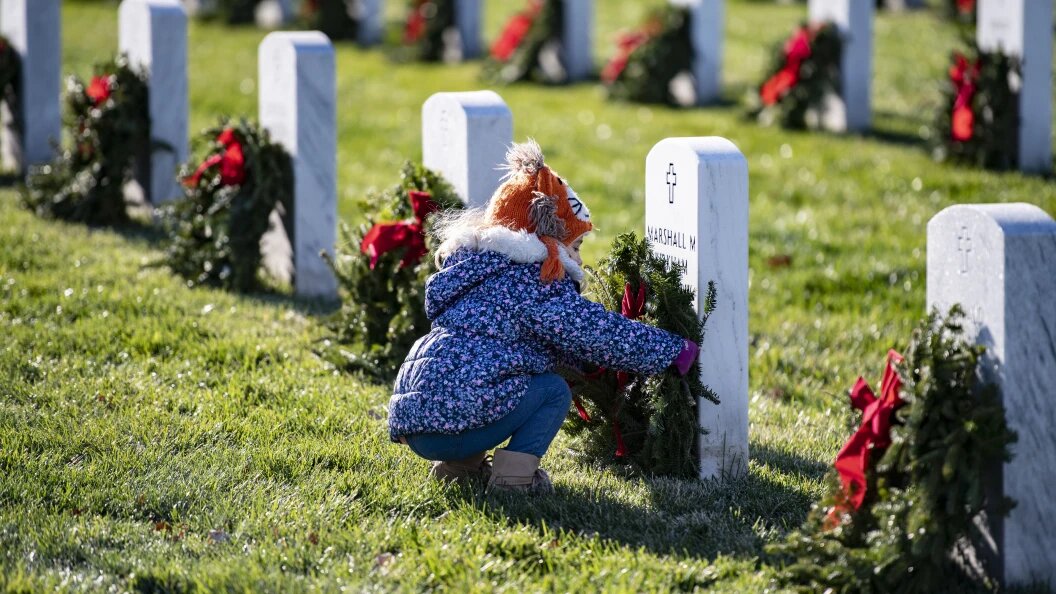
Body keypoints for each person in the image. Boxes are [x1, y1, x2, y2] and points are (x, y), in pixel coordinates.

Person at [388, 139, 699, 493]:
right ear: (546, 238)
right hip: (454, 423)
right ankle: (514, 481)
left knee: (481, 382)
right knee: (551, 391)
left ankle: (457, 470)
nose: (579, 261)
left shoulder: (476, 269)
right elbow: (595, 332)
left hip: (415, 420)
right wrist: (672, 350)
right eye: (576, 247)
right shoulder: (534, 280)